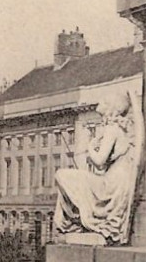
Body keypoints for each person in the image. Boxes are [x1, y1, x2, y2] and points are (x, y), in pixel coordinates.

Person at [54, 91, 139, 245]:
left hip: (111, 186)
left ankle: (71, 224)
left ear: (109, 107)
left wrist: (91, 147)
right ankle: (73, 224)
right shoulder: (118, 130)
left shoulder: (112, 129)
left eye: (103, 100)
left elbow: (99, 161)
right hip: (117, 182)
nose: (99, 103)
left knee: (62, 175)